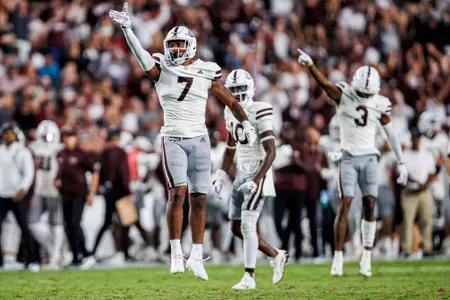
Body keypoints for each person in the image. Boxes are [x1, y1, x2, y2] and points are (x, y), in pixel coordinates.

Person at [109, 3, 257, 280]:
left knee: (199, 198)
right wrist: (127, 29)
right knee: (177, 194)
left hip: (199, 139)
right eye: (172, 44)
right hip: (173, 138)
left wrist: (246, 122)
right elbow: (141, 56)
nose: (175, 49)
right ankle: (176, 252)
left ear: (190, 46)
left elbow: (230, 100)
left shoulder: (206, 70)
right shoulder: (161, 69)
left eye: (179, 44)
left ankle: (197, 255)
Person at [297, 49, 408, 277]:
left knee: (369, 205)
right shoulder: (344, 95)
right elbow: (325, 84)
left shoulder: (380, 103)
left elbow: (392, 133)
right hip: (348, 156)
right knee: (345, 203)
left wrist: (401, 161)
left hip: (369, 157)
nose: (365, 97)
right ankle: (337, 257)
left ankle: (366, 256)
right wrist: (310, 66)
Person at [213, 69, 288, 290]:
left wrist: (256, 180)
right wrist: (221, 173)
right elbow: (230, 146)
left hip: (258, 170)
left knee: (247, 224)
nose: (237, 95)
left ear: (251, 89)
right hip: (240, 172)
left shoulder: (260, 109)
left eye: (240, 90)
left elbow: (271, 152)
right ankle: (276, 254)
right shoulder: (229, 111)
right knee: (236, 228)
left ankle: (249, 277)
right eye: (233, 91)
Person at [82, 127, 133, 269]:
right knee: (125, 222)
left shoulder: (104, 152)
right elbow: (124, 173)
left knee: (106, 223)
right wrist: (128, 191)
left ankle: (93, 251)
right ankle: (125, 253)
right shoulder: (120, 152)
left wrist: (103, 187)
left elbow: (100, 172)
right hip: (120, 191)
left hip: (108, 191)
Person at [55, 126, 100, 267]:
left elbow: (94, 172)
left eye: (71, 136)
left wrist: (91, 192)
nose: (68, 139)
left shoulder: (81, 154)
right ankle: (76, 256)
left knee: (75, 223)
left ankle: (86, 254)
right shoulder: (60, 153)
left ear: (75, 138)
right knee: (68, 226)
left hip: (79, 193)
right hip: (64, 193)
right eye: (66, 136)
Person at [0, 123, 39, 272]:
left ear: (16, 134)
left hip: (17, 194)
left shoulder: (22, 151)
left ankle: (33, 260)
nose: (7, 136)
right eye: (5, 133)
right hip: (2, 194)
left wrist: (22, 189)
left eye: (10, 133)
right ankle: (2, 262)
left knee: (24, 227)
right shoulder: (1, 150)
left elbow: (29, 172)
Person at [28, 120, 65, 269]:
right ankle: (53, 249)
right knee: (33, 223)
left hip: (54, 190)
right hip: (38, 189)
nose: (45, 138)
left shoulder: (60, 149)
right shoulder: (32, 148)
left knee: (56, 223)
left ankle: (55, 256)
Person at [401, 129, 439, 258]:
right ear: (411, 138)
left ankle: (427, 248)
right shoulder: (405, 155)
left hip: (424, 191)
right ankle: (407, 249)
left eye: (417, 138)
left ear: (420, 139)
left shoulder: (426, 154)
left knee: (426, 220)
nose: (415, 140)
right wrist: (418, 183)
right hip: (410, 191)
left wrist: (424, 184)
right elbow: (403, 174)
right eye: (414, 138)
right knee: (408, 220)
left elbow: (431, 172)